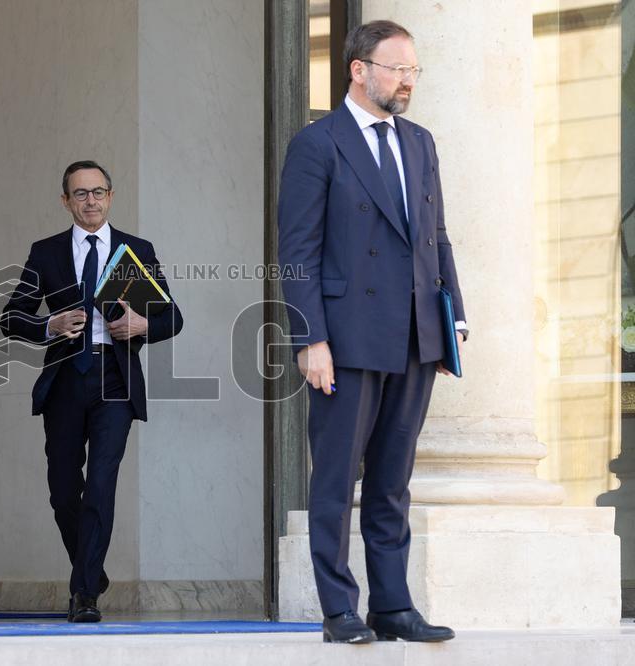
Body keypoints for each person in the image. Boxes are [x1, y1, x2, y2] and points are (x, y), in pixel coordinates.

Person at [277, 20, 467, 643]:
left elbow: (435, 236)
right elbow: (298, 252)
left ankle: (393, 605)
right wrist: (311, 340)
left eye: (414, 70)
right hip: (347, 337)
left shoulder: (420, 142)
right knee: (336, 479)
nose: (408, 81)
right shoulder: (318, 143)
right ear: (358, 69)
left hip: (414, 333)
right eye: (397, 69)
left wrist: (450, 316)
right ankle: (339, 611)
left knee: (392, 480)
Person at [0, 160, 182, 623]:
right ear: (66, 201)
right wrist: (49, 324)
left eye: (98, 192)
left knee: (101, 483)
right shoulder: (47, 253)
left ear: (111, 196)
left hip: (115, 381)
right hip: (64, 379)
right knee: (63, 489)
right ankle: (91, 569)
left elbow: (172, 317)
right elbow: (10, 317)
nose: (91, 201)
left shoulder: (135, 250)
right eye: (80, 194)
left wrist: (143, 324)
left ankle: (84, 593)